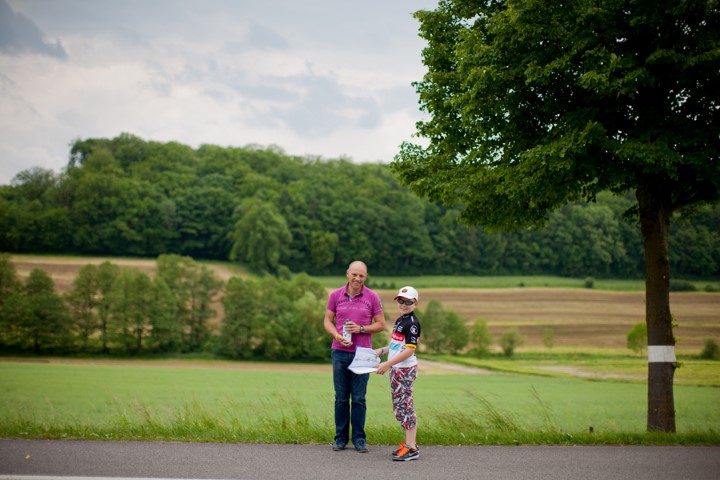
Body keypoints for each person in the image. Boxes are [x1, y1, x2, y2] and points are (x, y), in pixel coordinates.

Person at [323, 260, 385, 453]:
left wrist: (361, 329)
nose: (358, 278)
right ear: (347, 274)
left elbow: (381, 324)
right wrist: (337, 335)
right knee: (341, 398)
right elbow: (327, 320)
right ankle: (340, 438)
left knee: (358, 398)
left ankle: (359, 439)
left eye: (362, 276)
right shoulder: (335, 295)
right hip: (340, 352)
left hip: (363, 354)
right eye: (355, 274)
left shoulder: (372, 297)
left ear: (365, 277)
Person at [375, 285, 421, 461]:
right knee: (399, 407)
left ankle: (412, 448)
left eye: (408, 302)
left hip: (404, 370)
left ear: (415, 303)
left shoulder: (412, 323)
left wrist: (387, 364)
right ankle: (409, 444)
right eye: (400, 301)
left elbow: (409, 350)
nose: (403, 304)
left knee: (405, 406)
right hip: (397, 369)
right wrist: (381, 351)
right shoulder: (401, 320)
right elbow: (396, 346)